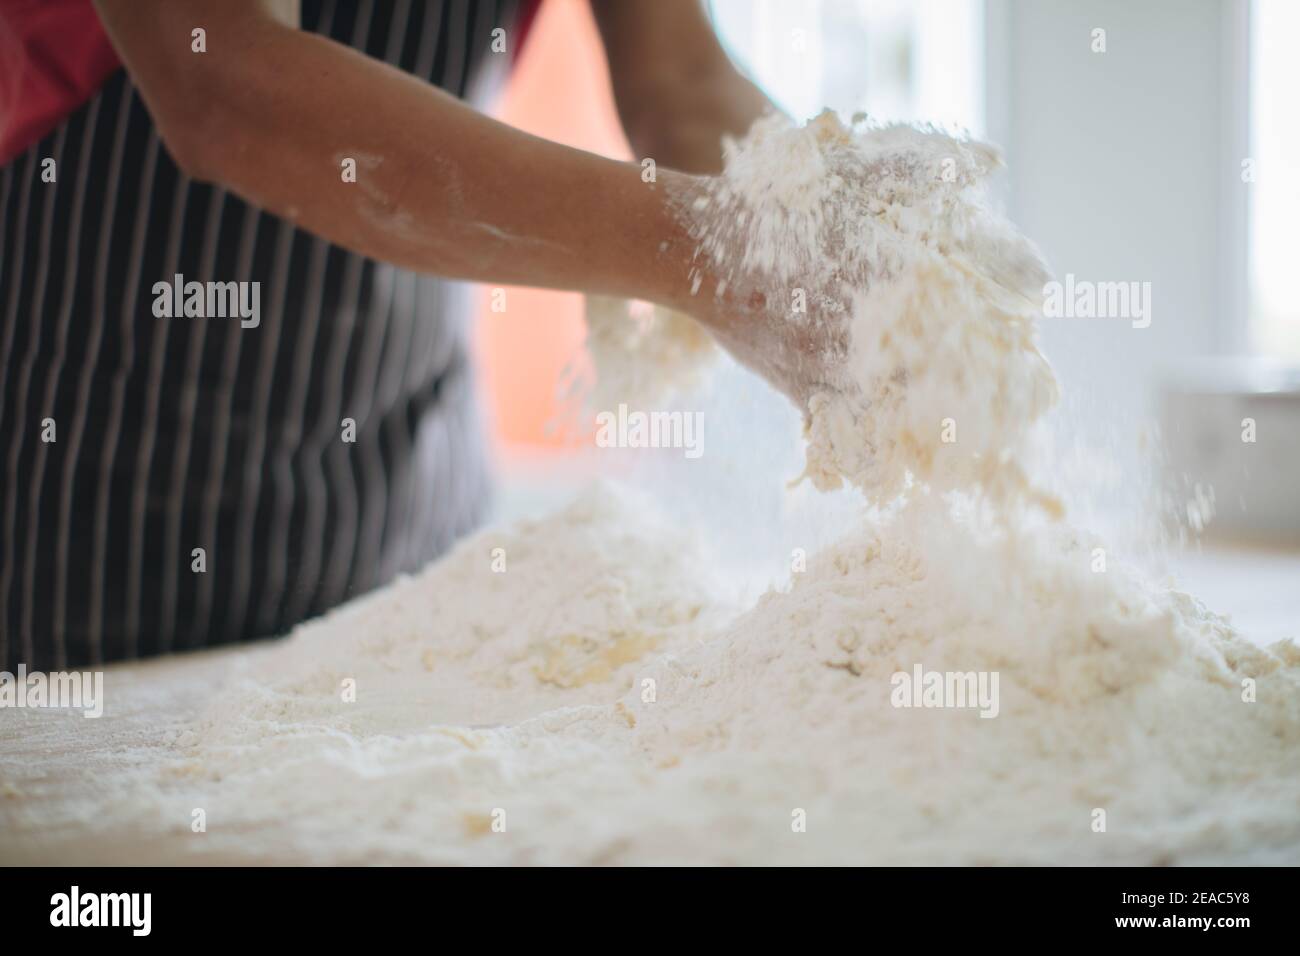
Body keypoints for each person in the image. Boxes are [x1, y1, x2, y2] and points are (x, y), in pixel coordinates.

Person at [0, 0, 820, 671]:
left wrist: (824, 219)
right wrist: (714, 252)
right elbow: (221, 83)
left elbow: (679, 77)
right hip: (92, 494)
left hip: (403, 495)